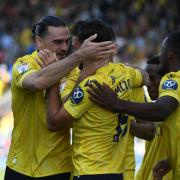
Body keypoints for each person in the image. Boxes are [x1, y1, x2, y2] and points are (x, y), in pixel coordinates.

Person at [4, 15, 114, 180]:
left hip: (59, 168)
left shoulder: (75, 71)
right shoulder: (24, 64)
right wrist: (77, 57)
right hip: (21, 166)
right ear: (39, 42)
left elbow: (70, 108)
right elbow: (36, 82)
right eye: (57, 42)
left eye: (66, 41)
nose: (64, 47)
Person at [45, 19, 147, 180]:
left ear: (92, 48)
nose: (74, 53)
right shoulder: (124, 72)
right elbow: (144, 76)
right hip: (116, 171)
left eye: (78, 48)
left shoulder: (91, 85)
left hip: (91, 170)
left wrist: (51, 80)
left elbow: (55, 122)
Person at [87, 31, 180, 179]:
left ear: (169, 53)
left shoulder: (173, 79)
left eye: (161, 50)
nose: (159, 55)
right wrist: (172, 161)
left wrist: (116, 103)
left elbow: (161, 110)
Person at [134, 55, 172, 180]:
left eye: (153, 78)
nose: (148, 84)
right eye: (147, 78)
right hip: (147, 174)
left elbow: (149, 130)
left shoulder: (168, 110)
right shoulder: (154, 108)